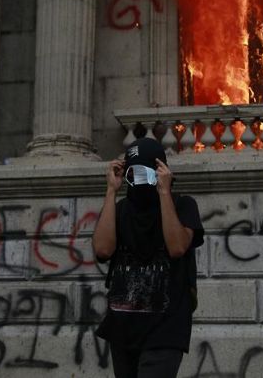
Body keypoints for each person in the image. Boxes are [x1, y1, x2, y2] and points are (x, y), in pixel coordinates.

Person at [93, 137, 204, 378]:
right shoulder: (121, 209)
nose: (140, 179)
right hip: (122, 327)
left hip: (166, 328)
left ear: (160, 170)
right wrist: (112, 190)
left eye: (147, 172)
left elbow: (176, 247)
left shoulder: (183, 205)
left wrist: (164, 191)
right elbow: (102, 250)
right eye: (134, 173)